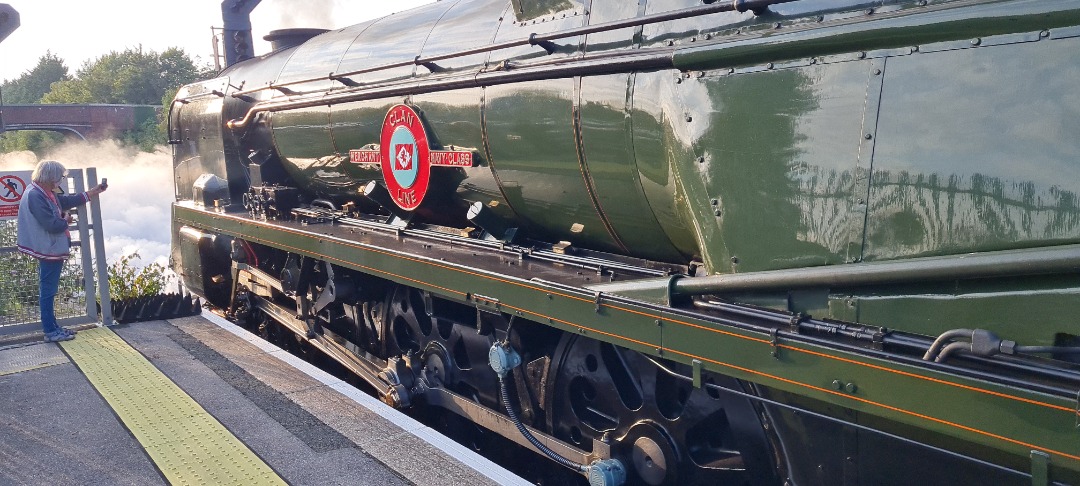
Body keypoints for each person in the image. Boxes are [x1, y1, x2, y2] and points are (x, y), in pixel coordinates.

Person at [16, 160, 107, 343]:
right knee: (48, 291)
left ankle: (54, 327)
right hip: (48, 250)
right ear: (50, 177)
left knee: (48, 289)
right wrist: (66, 219)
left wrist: (91, 193)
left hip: (48, 248)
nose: (60, 181)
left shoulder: (41, 191)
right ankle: (50, 331)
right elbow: (52, 224)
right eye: (59, 178)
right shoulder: (36, 195)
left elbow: (64, 201)